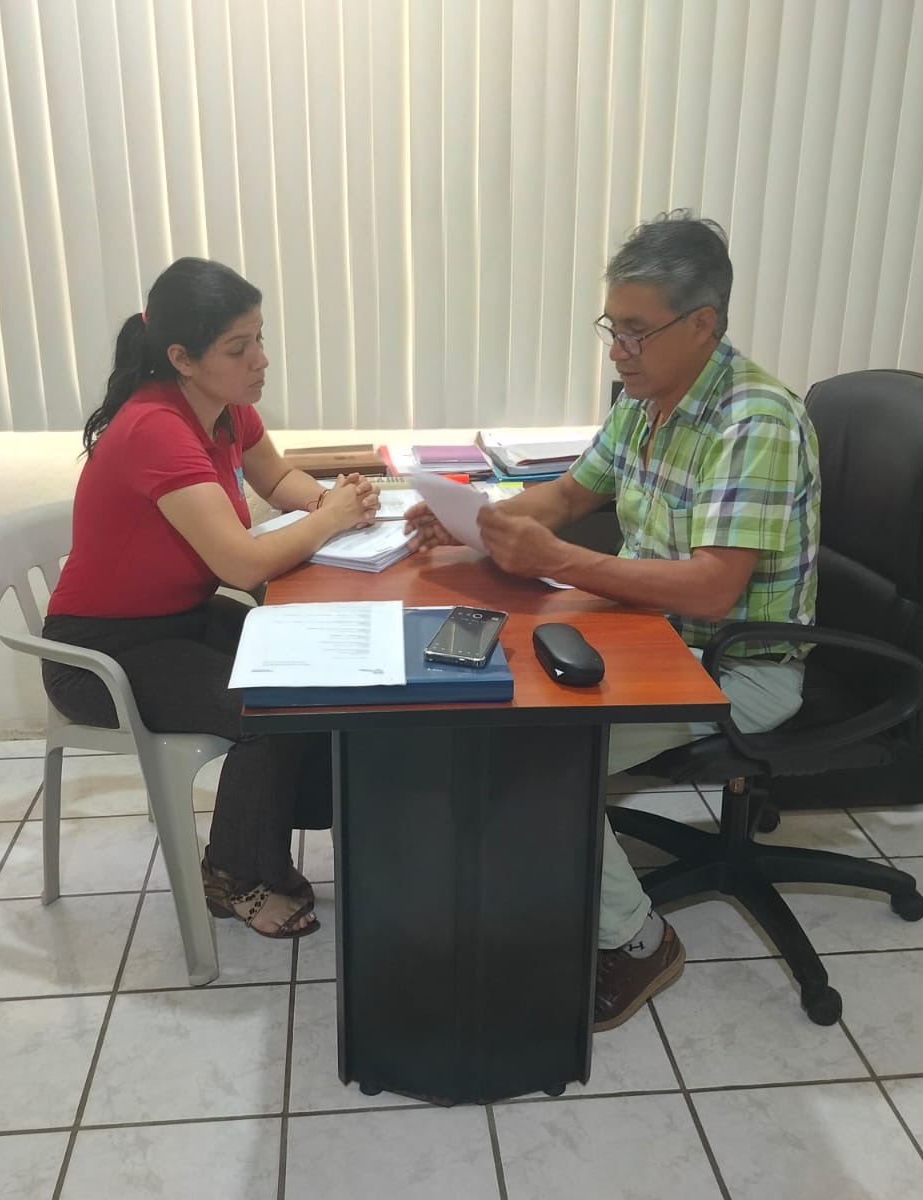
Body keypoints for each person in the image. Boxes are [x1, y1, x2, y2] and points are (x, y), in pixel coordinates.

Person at [406, 212, 820, 1028]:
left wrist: (555, 560)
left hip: (737, 665)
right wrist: (480, 522)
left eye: (636, 332)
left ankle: (639, 943)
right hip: (648, 634)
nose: (617, 351)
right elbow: (569, 495)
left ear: (701, 325)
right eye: (612, 328)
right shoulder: (646, 399)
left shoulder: (755, 422)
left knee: (530, 755)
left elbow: (713, 591)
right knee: (483, 706)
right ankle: (548, 877)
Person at [43, 257, 379, 939]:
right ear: (182, 358)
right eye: (238, 347)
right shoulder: (155, 429)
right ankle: (232, 876)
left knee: (318, 671)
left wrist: (331, 501)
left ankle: (294, 829)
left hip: (179, 619)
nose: (261, 359)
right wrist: (331, 519)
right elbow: (239, 561)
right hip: (103, 653)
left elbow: (276, 476)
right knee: (269, 705)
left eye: (259, 338)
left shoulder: (227, 408)